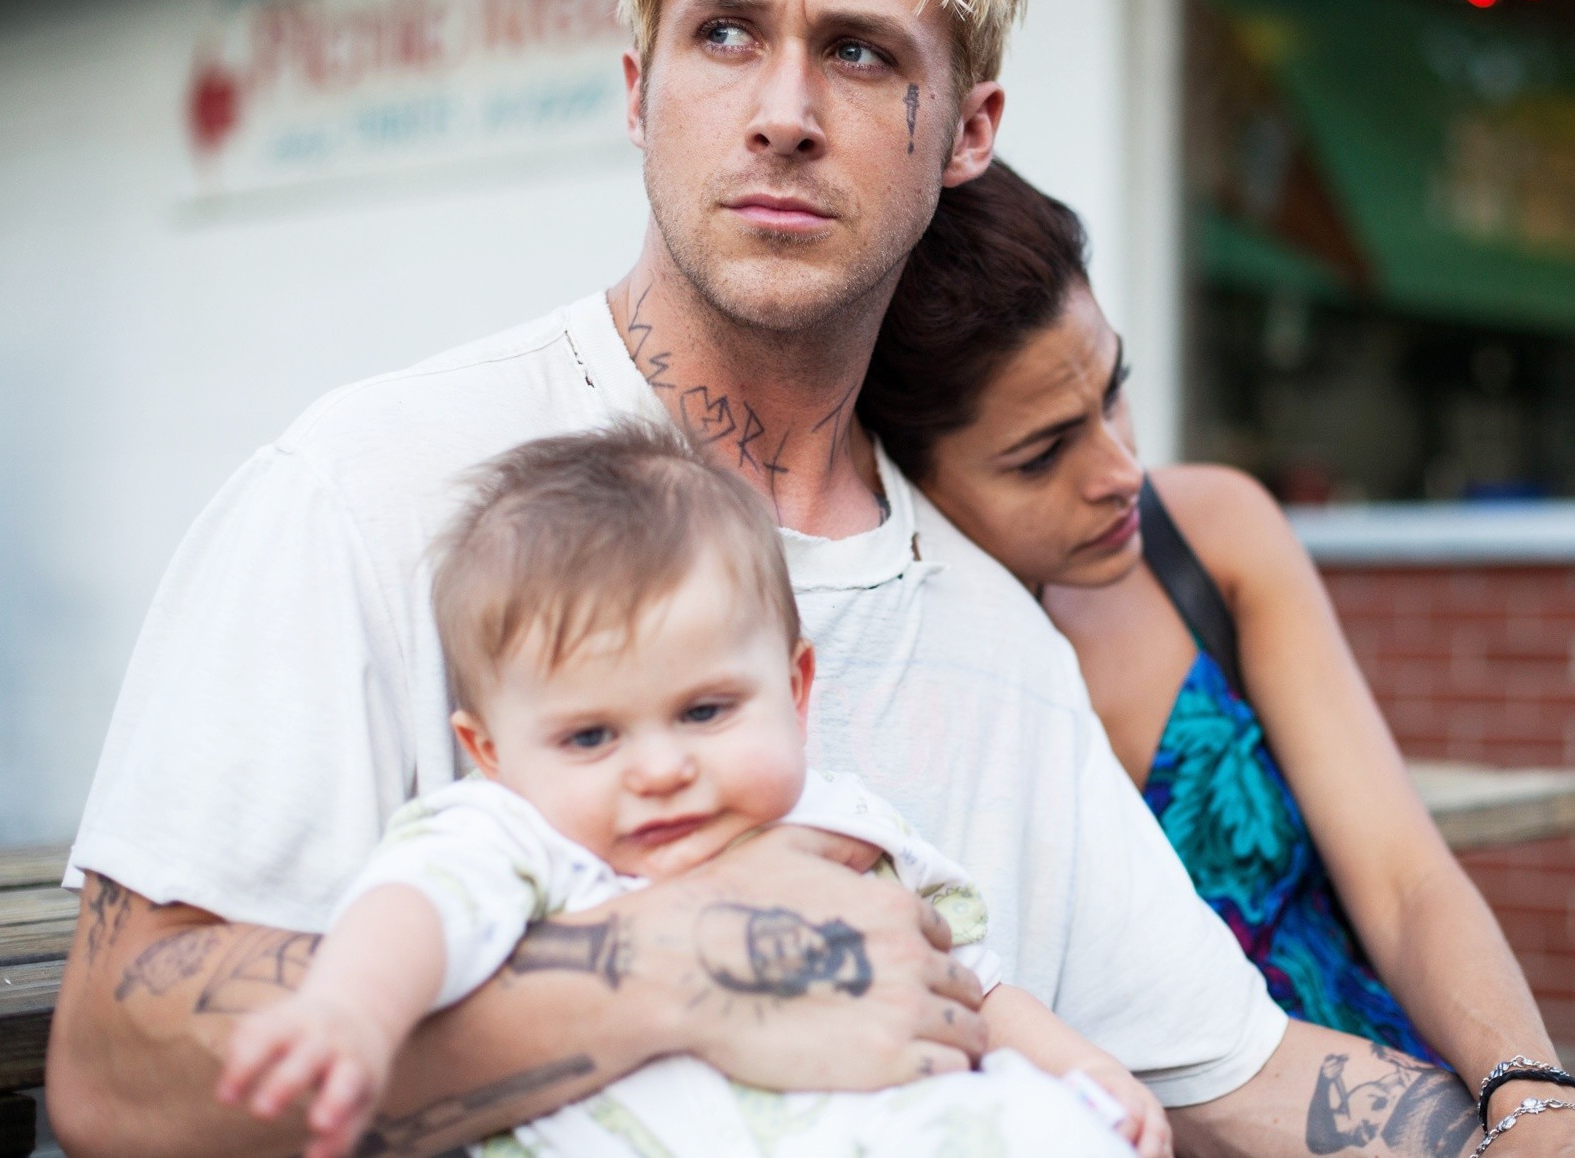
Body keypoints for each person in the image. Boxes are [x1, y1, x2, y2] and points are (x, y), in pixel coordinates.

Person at [52, 0, 1317, 1155]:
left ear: (969, 131)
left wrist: (1536, 1113)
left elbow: (1234, 1072)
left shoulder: (998, 638)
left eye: (860, 51)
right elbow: (111, 1076)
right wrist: (689, 966)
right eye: (724, 35)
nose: (783, 109)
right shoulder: (369, 490)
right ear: (637, 88)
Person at [859, 161, 1575, 1158]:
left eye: (1115, 391)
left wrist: (1536, 1101)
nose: (1118, 469)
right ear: (908, 473)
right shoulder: (901, 679)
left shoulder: (1208, 535)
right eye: (1041, 451)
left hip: (1410, 1111)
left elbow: (1401, 875)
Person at [214, 423, 1167, 1158]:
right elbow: (414, 909)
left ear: (794, 691)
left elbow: (970, 982)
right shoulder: (517, 838)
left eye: (706, 711)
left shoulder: (840, 825)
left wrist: (1080, 1064)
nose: (661, 767)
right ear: (491, 750)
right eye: (590, 735)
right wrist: (349, 1012)